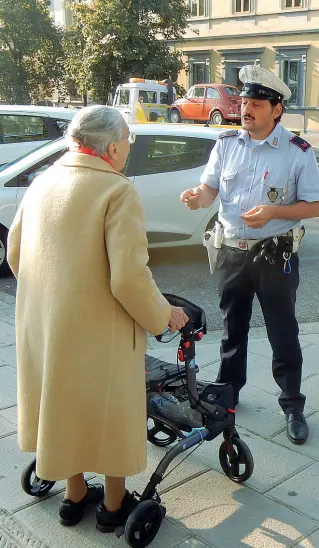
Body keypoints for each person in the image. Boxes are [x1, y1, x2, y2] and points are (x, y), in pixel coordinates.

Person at [7, 105, 188, 530]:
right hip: (100, 328)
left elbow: (16, 251)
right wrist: (164, 316)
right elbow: (129, 277)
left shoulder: (43, 182)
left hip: (46, 321)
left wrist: (53, 295)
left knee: (62, 406)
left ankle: (73, 497)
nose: (128, 148)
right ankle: (111, 506)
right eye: (128, 140)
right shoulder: (116, 190)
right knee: (111, 412)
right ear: (110, 146)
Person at [181, 65, 319, 445]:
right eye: (244, 102)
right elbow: (209, 190)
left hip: (275, 256)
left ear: (277, 110)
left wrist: (275, 212)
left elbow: (314, 204)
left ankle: (292, 404)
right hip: (232, 253)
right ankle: (228, 396)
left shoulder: (297, 152)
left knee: (283, 332)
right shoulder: (226, 143)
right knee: (232, 330)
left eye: (256, 103)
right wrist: (198, 198)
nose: (246, 109)